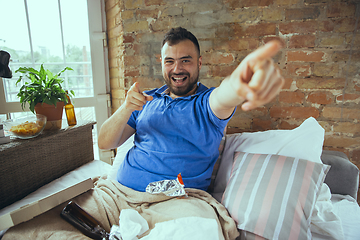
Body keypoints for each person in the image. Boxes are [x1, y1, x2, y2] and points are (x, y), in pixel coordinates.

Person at [98, 27, 284, 192]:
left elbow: (224, 95)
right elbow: (105, 143)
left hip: (176, 203)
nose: (177, 69)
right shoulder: (145, 99)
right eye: (169, 61)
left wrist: (239, 83)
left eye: (185, 60)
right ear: (161, 62)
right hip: (120, 193)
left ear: (199, 63)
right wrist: (126, 108)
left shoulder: (206, 103)